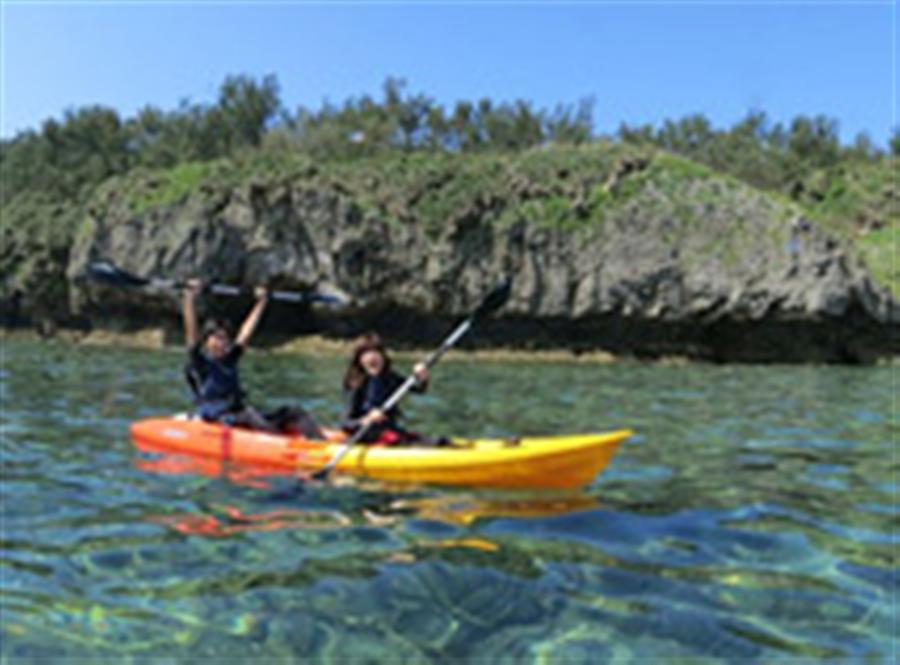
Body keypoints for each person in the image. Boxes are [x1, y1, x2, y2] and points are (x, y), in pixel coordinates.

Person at [183, 278, 272, 429]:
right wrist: (189, 297)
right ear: (206, 342)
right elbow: (191, 328)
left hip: (238, 413)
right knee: (250, 414)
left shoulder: (230, 359)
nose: (222, 343)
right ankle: (275, 442)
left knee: (293, 412)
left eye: (225, 339)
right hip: (216, 417)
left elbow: (246, 332)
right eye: (217, 338)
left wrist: (262, 302)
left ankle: (317, 441)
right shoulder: (200, 362)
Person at [342, 333, 430, 444]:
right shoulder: (355, 384)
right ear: (359, 360)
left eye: (376, 352)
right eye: (366, 354)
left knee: (440, 442)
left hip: (391, 431)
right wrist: (367, 419)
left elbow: (419, 389)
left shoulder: (390, 378)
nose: (372, 357)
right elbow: (345, 424)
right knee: (395, 439)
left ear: (383, 357)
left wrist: (422, 376)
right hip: (367, 435)